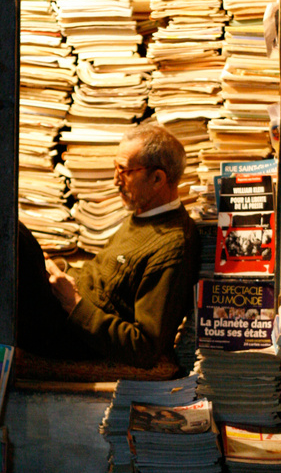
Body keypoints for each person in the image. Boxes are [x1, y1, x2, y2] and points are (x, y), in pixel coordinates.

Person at [16, 121, 201, 368]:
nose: (115, 181)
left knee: (14, 238)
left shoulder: (173, 245)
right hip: (64, 310)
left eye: (123, 171)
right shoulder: (143, 215)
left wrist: (74, 304)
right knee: (13, 238)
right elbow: (105, 283)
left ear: (157, 178)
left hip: (73, 334)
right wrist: (56, 269)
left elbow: (145, 348)